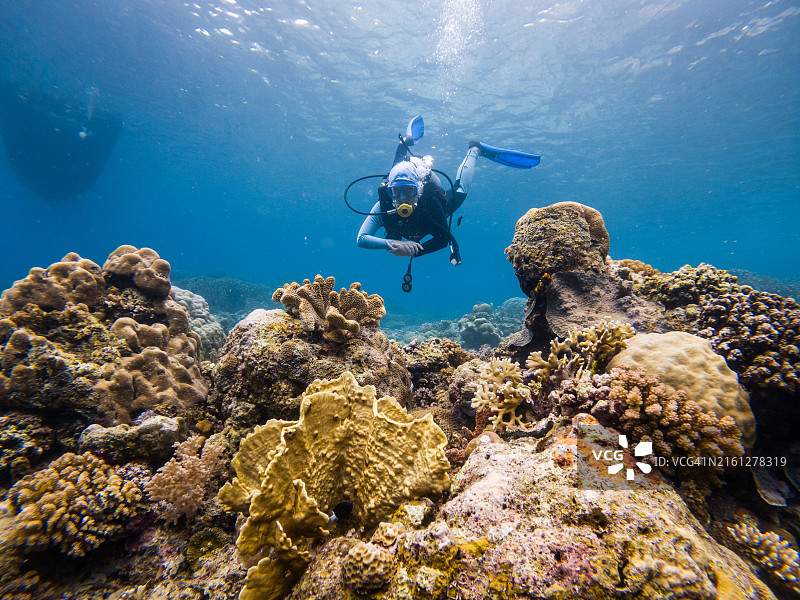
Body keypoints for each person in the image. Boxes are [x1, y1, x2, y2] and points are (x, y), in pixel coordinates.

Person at [356, 116, 539, 267]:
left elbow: (443, 238)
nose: (403, 198)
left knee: (461, 190)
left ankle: (475, 150)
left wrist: (415, 251)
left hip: (433, 200)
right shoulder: (384, 205)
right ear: (389, 193)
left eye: (410, 191)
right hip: (401, 181)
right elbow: (361, 239)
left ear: (418, 190)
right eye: (396, 192)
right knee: (398, 169)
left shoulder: (429, 202)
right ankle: (406, 141)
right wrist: (393, 244)